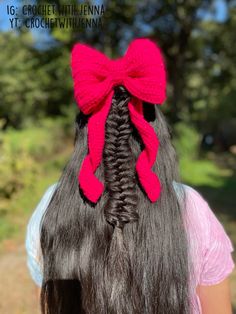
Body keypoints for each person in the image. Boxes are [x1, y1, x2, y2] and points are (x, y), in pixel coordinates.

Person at [25, 39, 235, 314]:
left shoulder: (51, 207)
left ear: (82, 132)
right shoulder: (191, 208)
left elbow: (56, 305)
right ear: (157, 129)